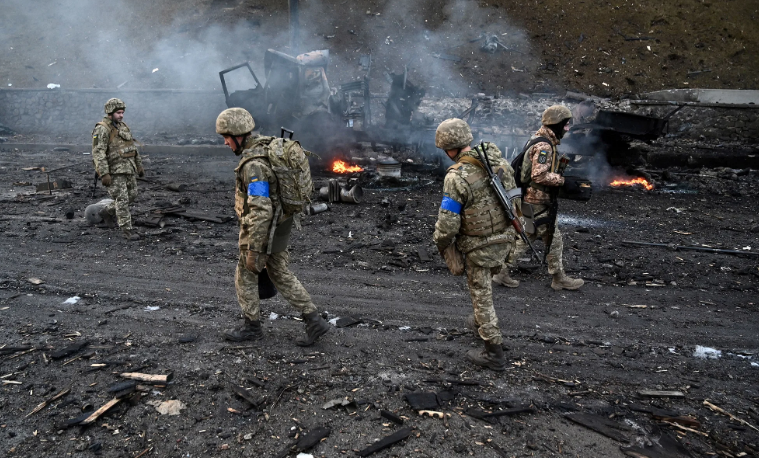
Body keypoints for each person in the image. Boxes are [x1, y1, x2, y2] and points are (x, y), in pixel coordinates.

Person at [215, 107, 330, 347]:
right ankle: (313, 319)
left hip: (263, 228)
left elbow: (260, 208)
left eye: (226, 137)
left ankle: (252, 327)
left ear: (238, 135)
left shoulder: (253, 166)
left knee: (245, 273)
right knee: (279, 272)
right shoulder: (265, 147)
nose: (225, 142)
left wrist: (254, 248)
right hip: (280, 223)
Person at [432, 118, 517, 372]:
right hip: (506, 240)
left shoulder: (456, 177)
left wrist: (441, 244)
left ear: (450, 149)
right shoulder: (500, 163)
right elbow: (516, 201)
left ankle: (494, 352)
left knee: (481, 296)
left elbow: (447, 224)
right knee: (485, 288)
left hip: (478, 248)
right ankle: (481, 322)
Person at [494, 105, 584, 291]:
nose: (567, 129)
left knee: (528, 235)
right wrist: (563, 181)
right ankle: (558, 278)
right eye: (565, 125)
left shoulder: (537, 138)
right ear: (556, 124)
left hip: (529, 199)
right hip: (537, 201)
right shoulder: (544, 146)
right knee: (552, 238)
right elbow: (538, 175)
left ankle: (501, 272)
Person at [91, 98, 144, 241]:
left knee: (132, 195)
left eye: (122, 112)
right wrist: (104, 173)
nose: (121, 115)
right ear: (110, 112)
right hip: (114, 171)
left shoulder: (123, 126)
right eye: (118, 113)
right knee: (122, 199)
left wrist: (139, 165)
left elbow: (132, 147)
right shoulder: (102, 129)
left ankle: (106, 212)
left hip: (129, 169)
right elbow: (98, 152)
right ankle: (127, 231)